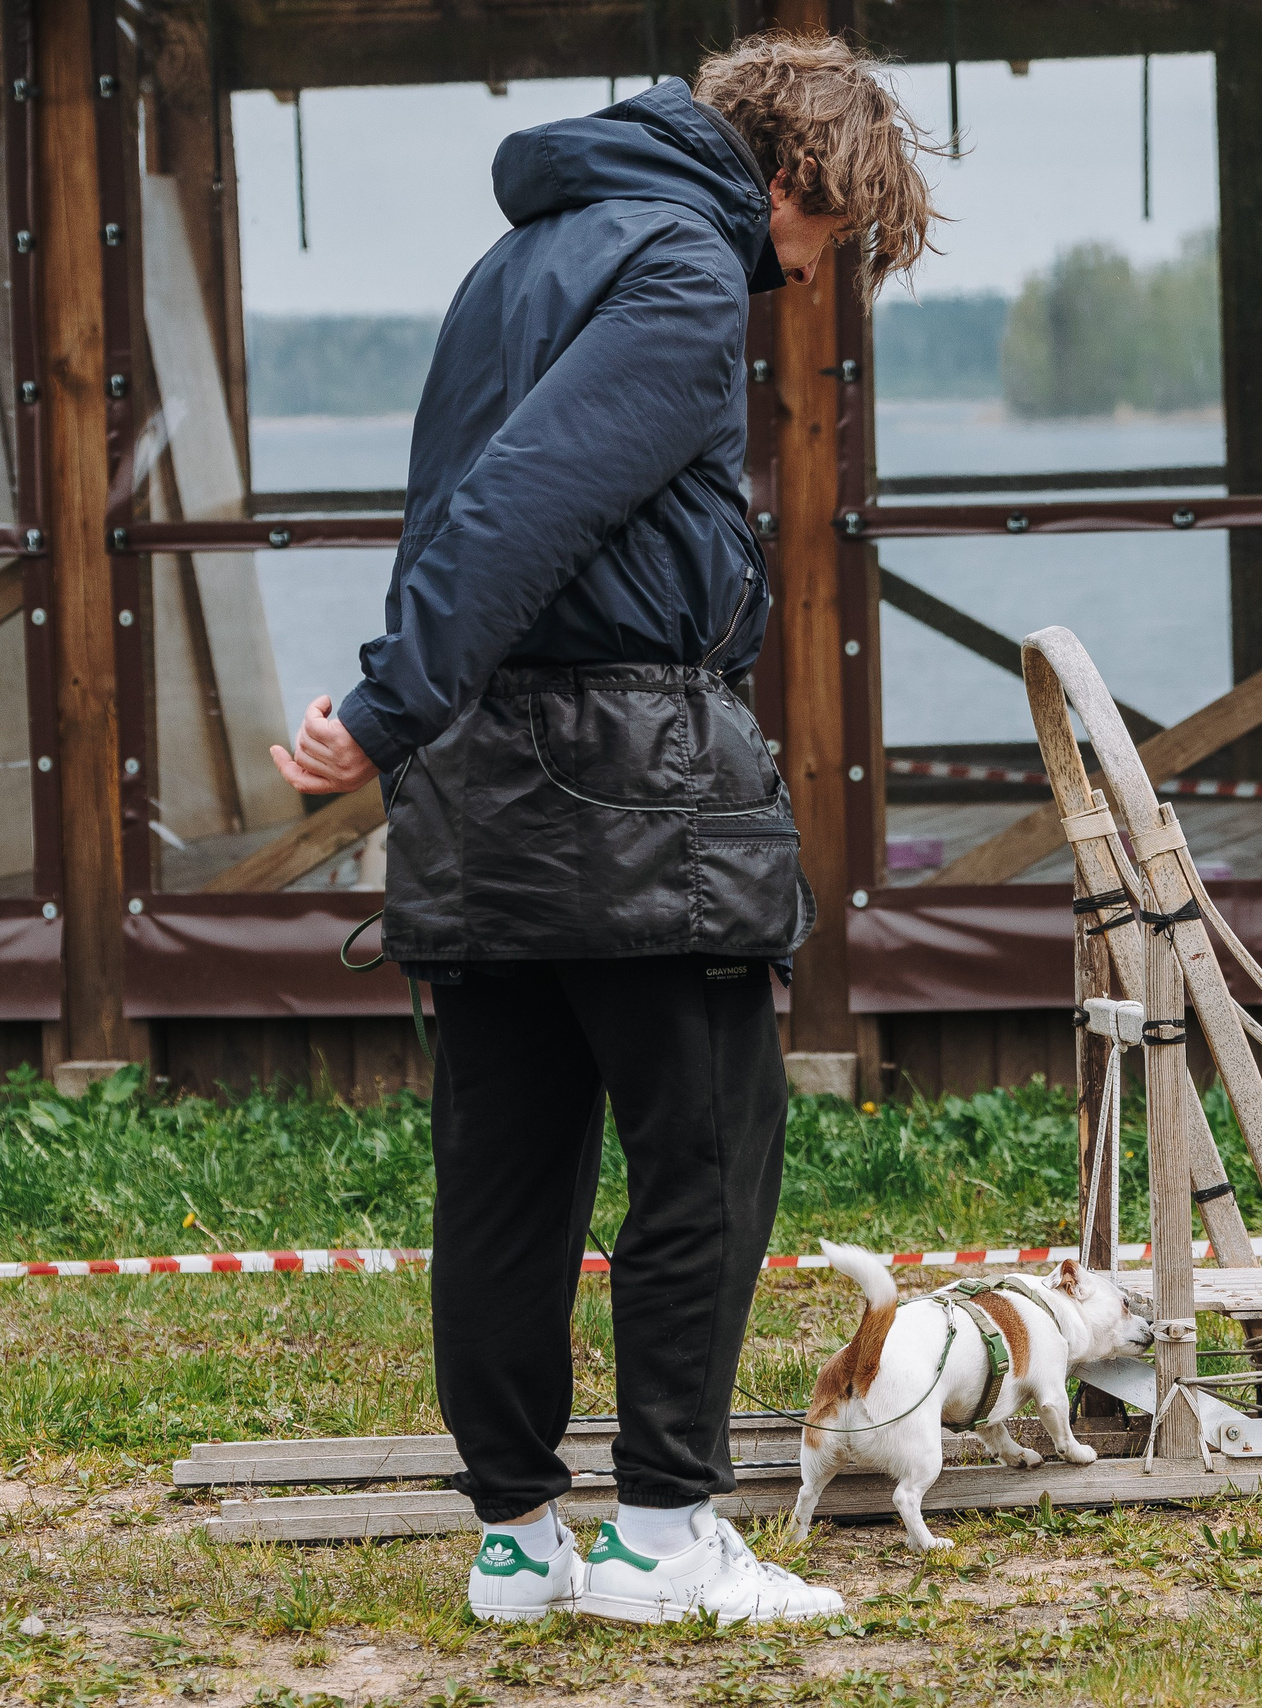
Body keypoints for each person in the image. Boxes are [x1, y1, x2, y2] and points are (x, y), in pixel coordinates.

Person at [267, 34, 934, 1625]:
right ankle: (662, 1538)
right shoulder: (687, 266)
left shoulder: (518, 259)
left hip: (479, 801)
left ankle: (517, 1545)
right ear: (798, 173)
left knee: (504, 1182)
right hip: (633, 792)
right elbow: (529, 504)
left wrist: (413, 712)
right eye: (831, 238)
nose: (809, 275)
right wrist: (386, 703)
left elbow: (461, 502)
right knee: (705, 1160)